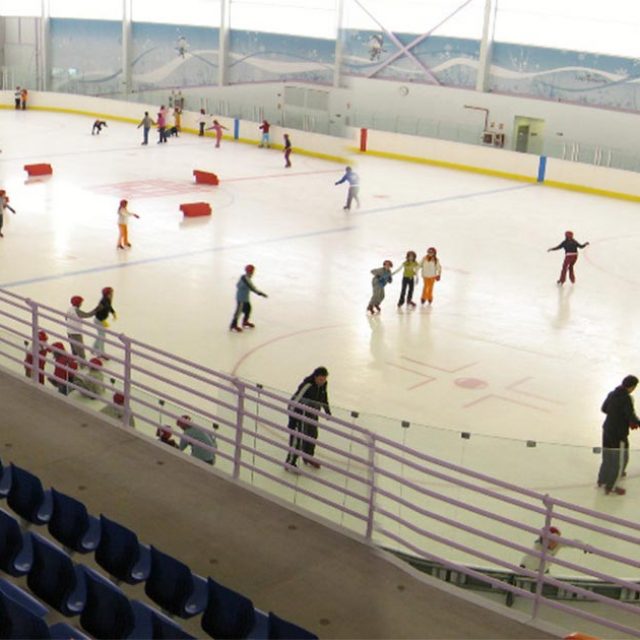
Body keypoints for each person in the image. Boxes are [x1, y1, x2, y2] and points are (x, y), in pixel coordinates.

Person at [597, 375, 640, 496]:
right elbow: (631, 417)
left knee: (607, 456)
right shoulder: (626, 398)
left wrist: (615, 415)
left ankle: (602, 480)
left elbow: (604, 408)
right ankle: (611, 486)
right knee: (619, 460)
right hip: (619, 434)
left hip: (607, 429)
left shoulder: (612, 393)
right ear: (632, 387)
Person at [285, 366, 331, 471]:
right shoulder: (307, 385)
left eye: (324, 380)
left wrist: (327, 411)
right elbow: (294, 401)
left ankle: (308, 457)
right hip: (299, 414)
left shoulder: (323, 385)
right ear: (315, 377)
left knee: (312, 436)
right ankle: (290, 462)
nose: (322, 382)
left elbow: (324, 398)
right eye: (320, 379)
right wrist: (293, 419)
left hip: (312, 415)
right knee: (298, 439)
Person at [230, 264, 268, 332]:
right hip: (241, 298)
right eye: (252, 271)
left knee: (248, 309)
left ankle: (245, 322)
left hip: (245, 298)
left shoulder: (244, 277)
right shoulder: (246, 279)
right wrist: (261, 293)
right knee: (238, 311)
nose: (253, 273)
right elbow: (252, 288)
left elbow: (238, 285)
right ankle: (233, 325)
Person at [66, 295, 96, 362]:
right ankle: (83, 364)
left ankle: (74, 360)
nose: (82, 304)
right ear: (78, 303)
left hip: (69, 331)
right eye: (81, 302)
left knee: (74, 348)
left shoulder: (69, 309)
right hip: (76, 332)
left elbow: (66, 318)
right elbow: (87, 315)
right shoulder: (76, 311)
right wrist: (96, 310)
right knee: (80, 349)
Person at [92, 287, 116, 357]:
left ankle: (94, 348)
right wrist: (103, 321)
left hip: (100, 320)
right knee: (102, 337)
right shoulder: (104, 302)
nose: (112, 294)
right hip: (99, 320)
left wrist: (113, 313)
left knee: (100, 335)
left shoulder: (107, 300)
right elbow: (99, 312)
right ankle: (101, 353)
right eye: (111, 293)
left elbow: (110, 307)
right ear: (108, 294)